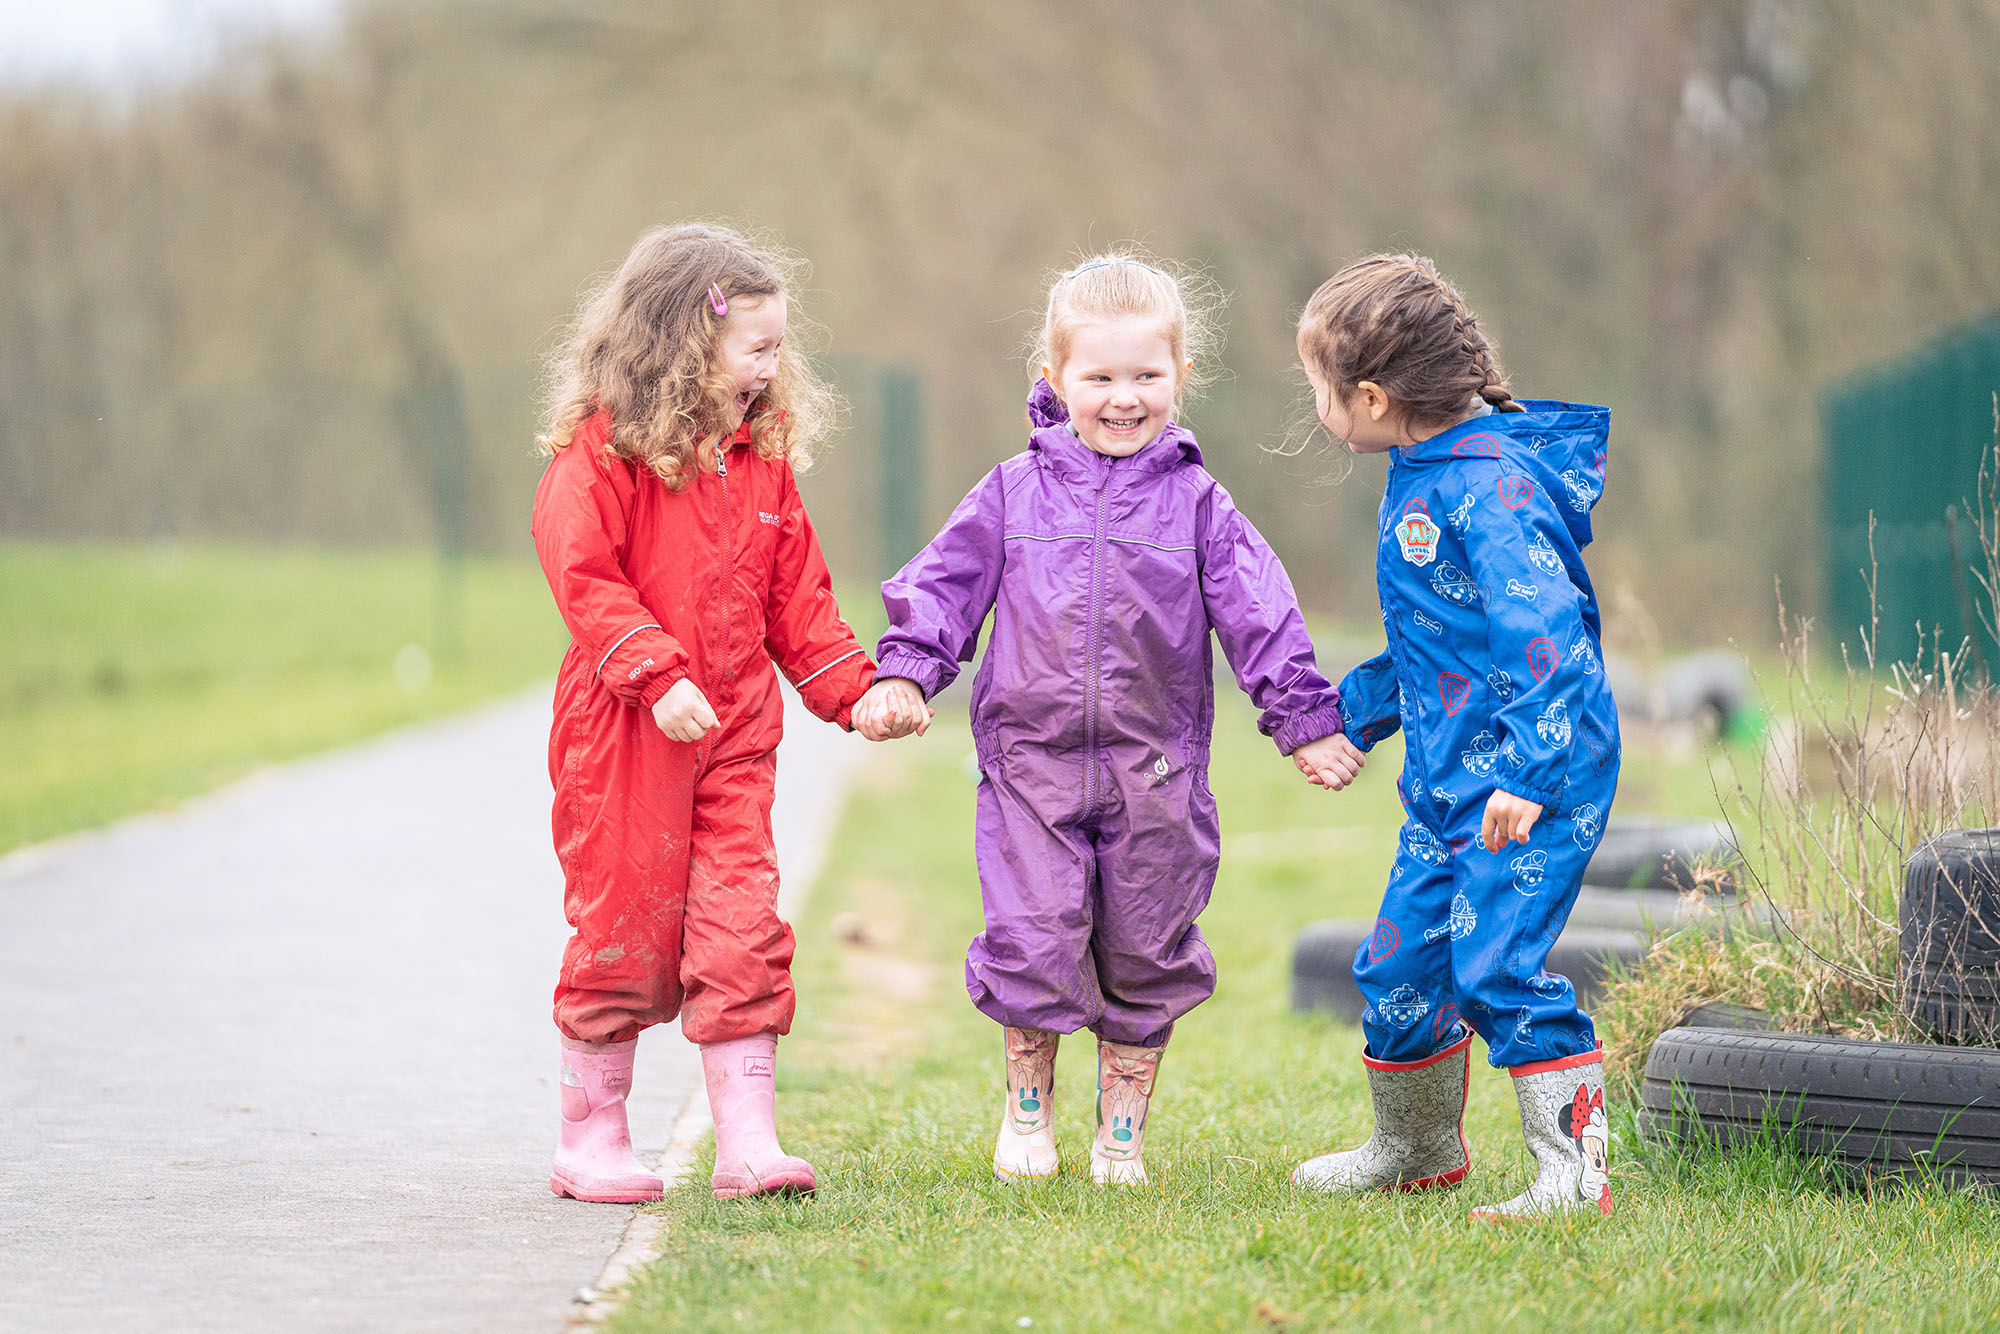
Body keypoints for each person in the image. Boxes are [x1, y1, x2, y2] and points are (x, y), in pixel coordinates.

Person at [851, 251, 1357, 1186]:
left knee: (1146, 946)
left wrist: (1305, 720)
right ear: (1054, 381)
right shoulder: (1010, 493)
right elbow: (943, 589)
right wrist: (907, 678)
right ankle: (1028, 1106)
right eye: (1100, 378)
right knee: (1033, 934)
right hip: (1030, 767)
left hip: (1157, 773)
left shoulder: (1200, 505)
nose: (1124, 399)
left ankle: (1121, 1124)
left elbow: (1261, 613)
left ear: (1180, 378)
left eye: (1146, 377)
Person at [531, 223, 876, 1202]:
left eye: (778, 349)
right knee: (624, 929)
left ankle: (748, 1143)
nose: (773, 368)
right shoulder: (600, 452)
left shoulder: (759, 463)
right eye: (755, 347)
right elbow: (582, 573)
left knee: (740, 927)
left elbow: (797, 598)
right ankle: (589, 1138)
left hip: (733, 739)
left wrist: (858, 692)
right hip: (625, 738)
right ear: (681, 344)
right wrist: (653, 670)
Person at [1287, 253, 1620, 1220]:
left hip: (1534, 777)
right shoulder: (1421, 468)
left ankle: (1575, 1176)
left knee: (1493, 966)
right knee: (1397, 967)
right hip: (1447, 783)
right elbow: (1438, 641)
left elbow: (1547, 646)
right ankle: (1414, 1148)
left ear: (1377, 396)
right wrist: (1343, 716)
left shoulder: (1491, 493)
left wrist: (1526, 769)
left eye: (1320, 387)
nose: (1315, 407)